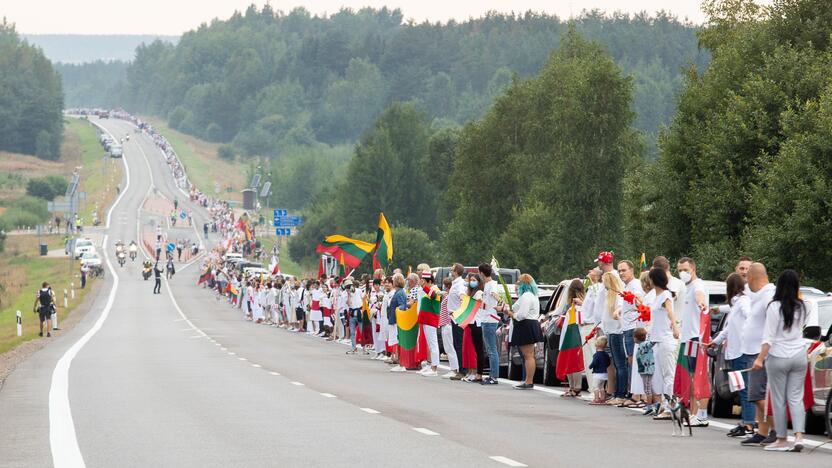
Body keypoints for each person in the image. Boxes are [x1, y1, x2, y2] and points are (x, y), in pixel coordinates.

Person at [752, 269, 807, 452]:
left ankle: (782, 439)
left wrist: (759, 359)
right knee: (796, 398)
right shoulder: (804, 306)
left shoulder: (774, 307)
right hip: (799, 355)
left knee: (778, 399)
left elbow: (768, 338)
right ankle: (799, 436)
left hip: (778, 356)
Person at [710, 272, 754, 437]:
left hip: (741, 352)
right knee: (740, 388)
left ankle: (749, 424)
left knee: (744, 389)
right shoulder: (736, 305)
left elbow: (749, 316)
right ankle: (746, 421)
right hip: (735, 352)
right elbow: (728, 329)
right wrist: (716, 339)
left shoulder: (743, 302)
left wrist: (746, 335)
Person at [739, 262, 777, 446]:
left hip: (760, 352)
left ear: (752, 278)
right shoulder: (759, 295)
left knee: (757, 394)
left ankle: (777, 429)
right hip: (752, 350)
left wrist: (763, 355)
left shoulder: (769, 294)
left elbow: (774, 319)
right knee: (755, 395)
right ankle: (762, 431)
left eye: (748, 278)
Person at [676, 257, 710, 427]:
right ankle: (693, 413)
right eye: (680, 270)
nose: (682, 273)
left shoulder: (698, 285)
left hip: (697, 338)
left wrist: (701, 303)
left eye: (685, 270)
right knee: (691, 376)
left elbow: (700, 296)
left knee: (698, 375)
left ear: (693, 269)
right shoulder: (686, 287)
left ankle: (701, 414)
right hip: (688, 338)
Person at [648, 267, 680, 420]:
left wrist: (675, 326)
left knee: (669, 375)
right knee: (661, 375)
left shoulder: (665, 295)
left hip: (666, 339)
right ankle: (664, 404)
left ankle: (670, 407)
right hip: (658, 339)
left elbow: (670, 311)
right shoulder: (657, 296)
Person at [501, 273, 542, 389]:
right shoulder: (531, 295)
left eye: (519, 282)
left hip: (526, 324)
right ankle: (528, 380)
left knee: (528, 355)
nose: (517, 285)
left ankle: (529, 381)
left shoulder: (527, 296)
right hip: (529, 324)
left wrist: (511, 314)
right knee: (528, 355)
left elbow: (522, 315)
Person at [617, 260, 644, 406]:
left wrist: (632, 300)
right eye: (619, 271)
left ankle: (637, 394)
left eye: (624, 270)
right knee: (630, 359)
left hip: (633, 326)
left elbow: (640, 302)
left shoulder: (635, 285)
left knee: (633, 359)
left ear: (632, 270)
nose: (621, 273)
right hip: (626, 326)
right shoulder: (627, 285)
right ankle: (634, 392)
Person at [601, 271, 627, 405]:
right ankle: (617, 392)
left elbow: (620, 309)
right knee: (616, 365)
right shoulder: (609, 296)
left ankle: (621, 393)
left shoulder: (618, 296)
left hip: (617, 332)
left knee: (620, 364)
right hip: (611, 333)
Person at [557, 279, 586, 397]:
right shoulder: (572, 305)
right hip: (570, 335)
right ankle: (573, 387)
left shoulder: (580, 304)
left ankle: (575, 387)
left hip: (574, 335)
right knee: (571, 361)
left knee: (573, 361)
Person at [478, 263, 501, 385]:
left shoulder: (491, 285)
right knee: (489, 349)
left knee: (491, 349)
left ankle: (494, 376)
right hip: (486, 318)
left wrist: (501, 301)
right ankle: (492, 375)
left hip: (490, 320)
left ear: (482, 273)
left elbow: (495, 295)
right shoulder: (487, 285)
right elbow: (487, 304)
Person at [417, 271, 442, 377]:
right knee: (430, 345)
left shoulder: (434, 289)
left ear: (430, 281)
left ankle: (434, 369)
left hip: (431, 320)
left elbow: (433, 295)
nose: (423, 284)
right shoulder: (430, 289)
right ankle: (430, 366)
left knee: (433, 345)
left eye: (425, 282)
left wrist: (424, 287)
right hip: (427, 320)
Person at [438, 276, 462, 379]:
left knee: (450, 348)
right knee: (448, 348)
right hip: (445, 323)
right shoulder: (447, 296)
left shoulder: (449, 297)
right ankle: (454, 368)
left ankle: (454, 369)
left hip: (448, 323)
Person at [387, 273, 407, 372]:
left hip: (397, 320)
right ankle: (400, 362)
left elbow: (403, 305)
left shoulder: (399, 293)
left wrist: (398, 309)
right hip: (395, 319)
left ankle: (401, 363)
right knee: (397, 341)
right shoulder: (398, 292)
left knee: (398, 341)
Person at [634, 328, 656, 411]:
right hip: (645, 369)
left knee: (647, 388)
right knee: (648, 387)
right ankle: (651, 403)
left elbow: (651, 343)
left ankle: (649, 405)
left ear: (636, 338)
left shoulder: (644, 344)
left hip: (646, 369)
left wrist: (654, 337)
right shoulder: (642, 345)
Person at [589, 336, 610, 404]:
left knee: (596, 387)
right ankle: (603, 399)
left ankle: (596, 399)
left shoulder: (596, 355)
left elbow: (594, 362)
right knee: (602, 387)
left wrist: (590, 366)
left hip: (597, 374)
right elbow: (608, 362)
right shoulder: (606, 354)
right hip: (604, 373)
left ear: (596, 345)